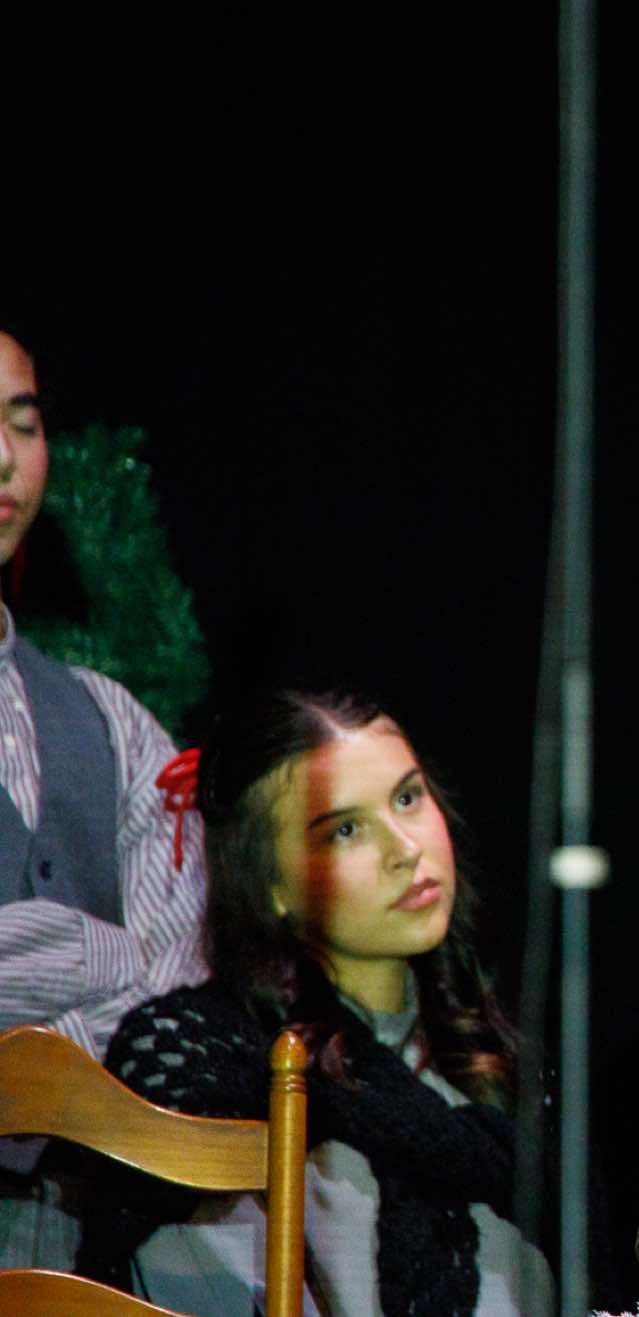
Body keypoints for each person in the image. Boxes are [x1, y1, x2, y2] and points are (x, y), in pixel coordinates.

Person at [76, 689, 552, 1316]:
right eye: (346, 830)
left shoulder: (502, 1061)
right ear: (271, 885)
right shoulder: (208, 1064)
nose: (405, 849)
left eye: (407, 798)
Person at [0, 325, 208, 1269]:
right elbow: (134, 964)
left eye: (23, 420)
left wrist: (40, 1050)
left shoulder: (109, 719)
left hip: (86, 1232)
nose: (4, 457)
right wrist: (99, 951)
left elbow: (178, 984)